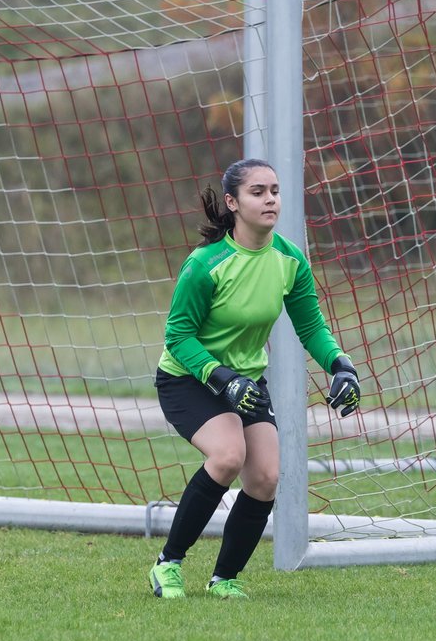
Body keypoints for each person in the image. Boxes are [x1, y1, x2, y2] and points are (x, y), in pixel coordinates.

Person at [150, 158, 361, 600]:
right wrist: (222, 377)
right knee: (228, 456)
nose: (270, 200)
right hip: (189, 378)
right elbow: (178, 335)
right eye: (257, 192)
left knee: (265, 476)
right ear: (233, 203)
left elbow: (312, 328)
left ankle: (224, 579)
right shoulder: (205, 264)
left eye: (274, 191)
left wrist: (341, 364)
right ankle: (168, 564)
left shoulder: (289, 259)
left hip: (244, 381)